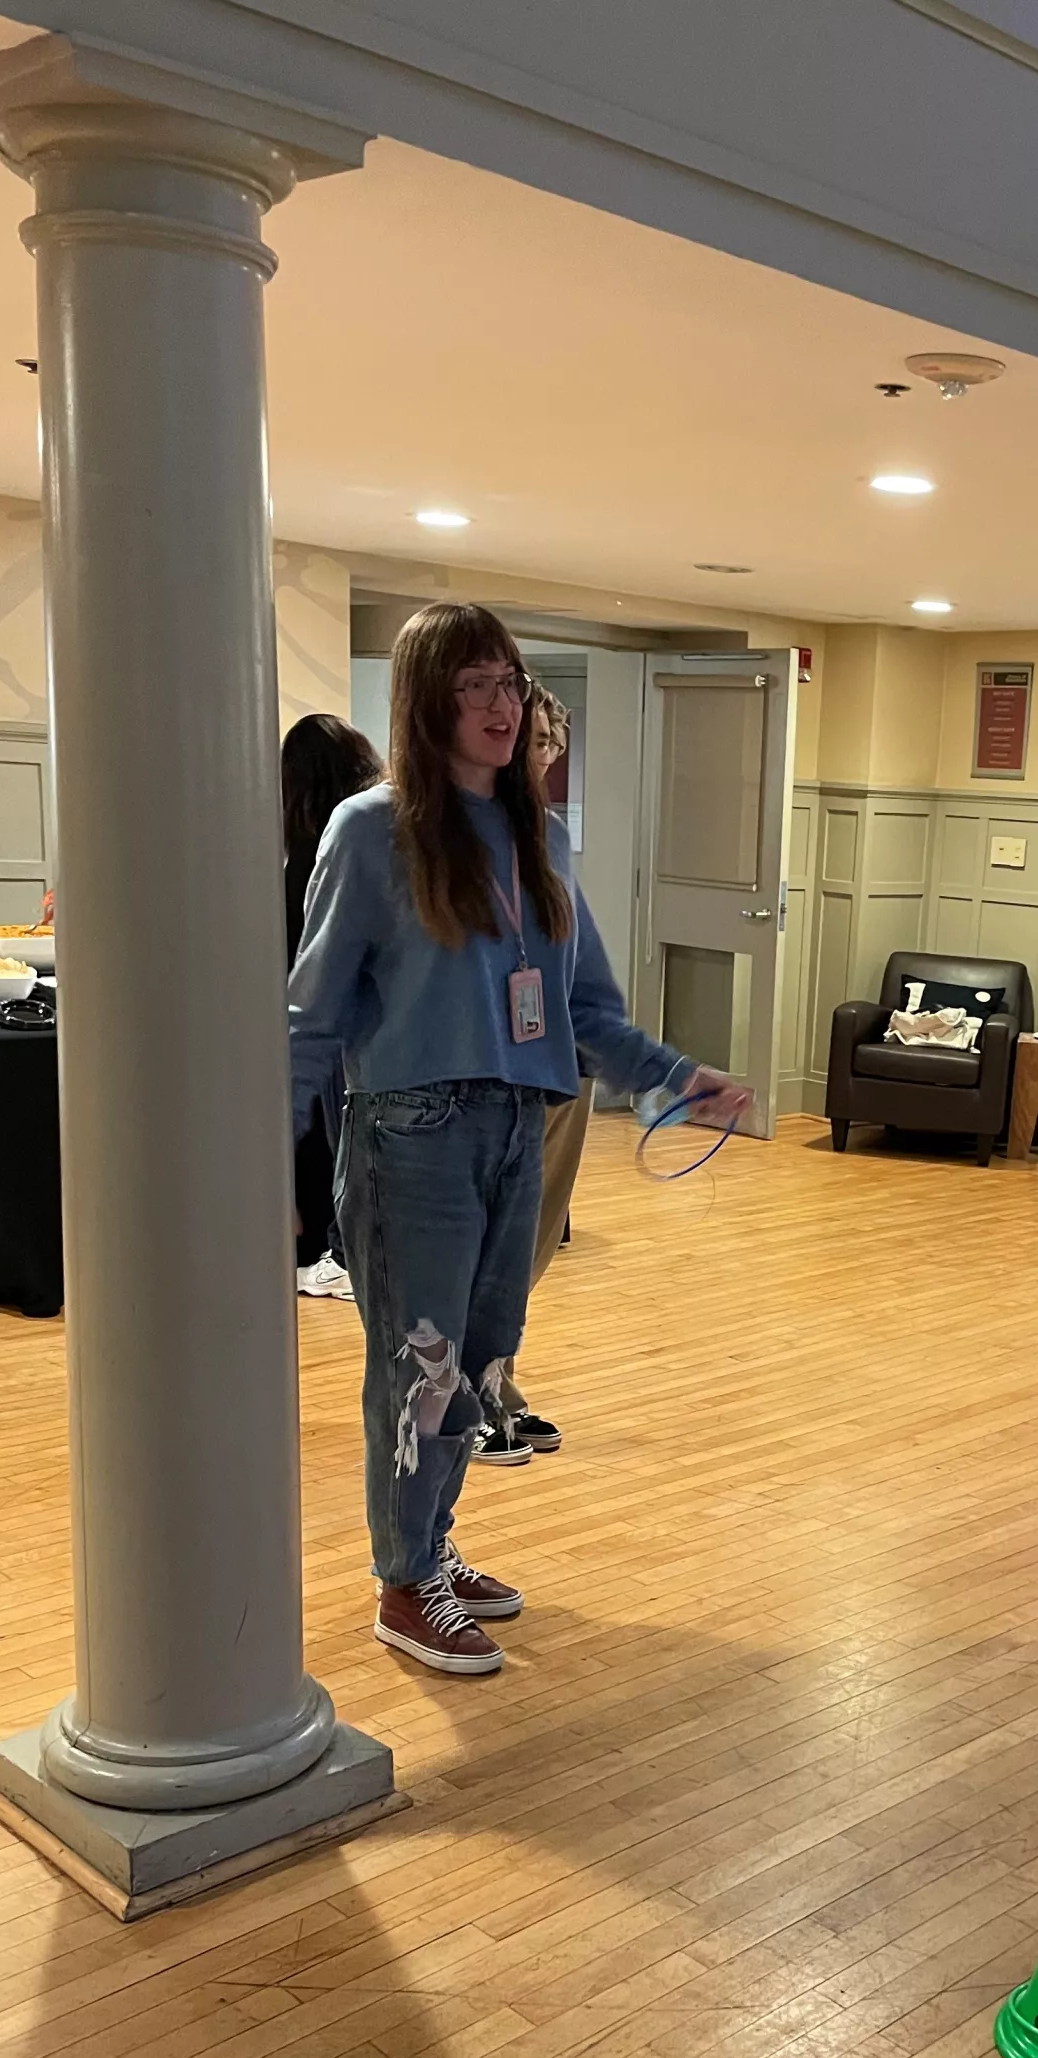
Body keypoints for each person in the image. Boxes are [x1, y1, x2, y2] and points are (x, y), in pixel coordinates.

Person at [289, 601, 749, 1676]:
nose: (504, 708)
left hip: (514, 1128)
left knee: (485, 1363)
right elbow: (309, 1016)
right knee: (421, 1367)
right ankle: (402, 1584)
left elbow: (586, 1007)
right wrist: (281, 1169)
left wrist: (679, 1077)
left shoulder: (540, 834)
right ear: (428, 702)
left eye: (513, 685)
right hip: (412, 1133)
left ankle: (432, 1548)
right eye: (477, 686)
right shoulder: (372, 827)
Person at [480, 684, 588, 1463]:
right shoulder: (448, 830)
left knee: (529, 1242)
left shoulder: (550, 835)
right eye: (533, 741)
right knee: (485, 1250)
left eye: (551, 744)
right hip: (482, 1073)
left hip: (554, 1060)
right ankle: (474, 1392)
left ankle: (499, 1377)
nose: (541, 756)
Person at [282, 713, 383, 1302]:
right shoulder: (370, 831)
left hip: (338, 1027)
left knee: (346, 1134)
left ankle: (345, 1254)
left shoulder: (324, 851)